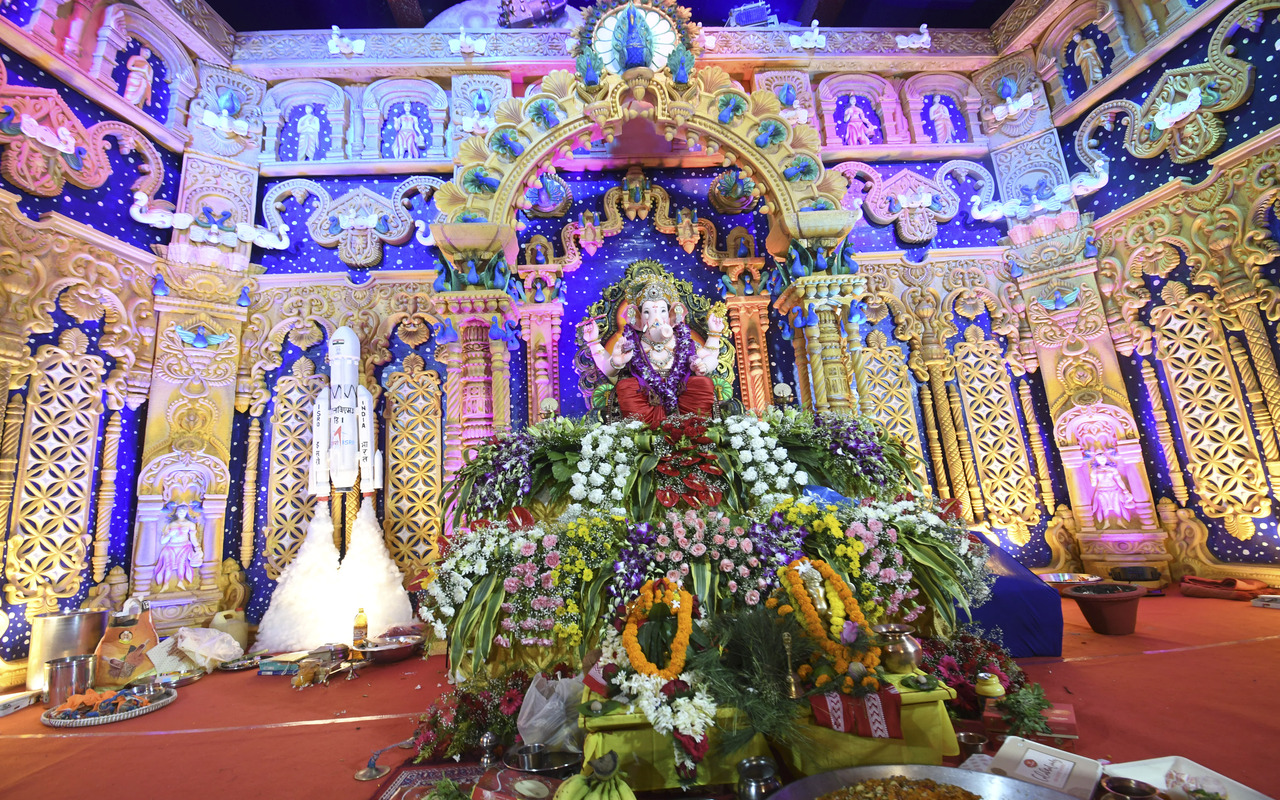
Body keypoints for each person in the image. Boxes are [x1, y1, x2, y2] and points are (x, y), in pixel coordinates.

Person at [580, 274, 724, 426]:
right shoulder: (631, 343)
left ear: (672, 315)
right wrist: (604, 352)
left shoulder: (685, 342)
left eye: (662, 311)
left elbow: (710, 357)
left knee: (703, 383)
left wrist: (705, 362)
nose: (656, 318)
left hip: (682, 395)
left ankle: (694, 429)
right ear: (638, 318)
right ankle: (642, 434)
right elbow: (609, 371)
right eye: (647, 312)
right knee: (626, 387)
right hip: (645, 398)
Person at [154, 504, 202, 590]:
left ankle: (180, 582)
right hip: (171, 547)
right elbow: (163, 541)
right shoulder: (171, 524)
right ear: (176, 512)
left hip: (184, 547)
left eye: (184, 511)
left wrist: (197, 547)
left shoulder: (190, 524)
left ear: (187, 513)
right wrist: (169, 534)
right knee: (168, 565)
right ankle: (165, 584)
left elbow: (193, 538)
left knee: (182, 564)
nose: (181, 513)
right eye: (180, 511)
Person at [1088, 450, 1136, 529]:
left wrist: (1125, 490)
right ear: (1097, 460)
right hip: (1102, 490)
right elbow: (1093, 484)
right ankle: (1106, 522)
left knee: (1116, 505)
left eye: (1103, 458)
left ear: (1106, 458)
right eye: (1099, 459)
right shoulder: (1095, 471)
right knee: (1104, 506)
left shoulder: (1112, 469)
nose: (1102, 460)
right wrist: (1092, 479)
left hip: (1114, 489)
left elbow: (1119, 480)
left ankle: (1119, 521)